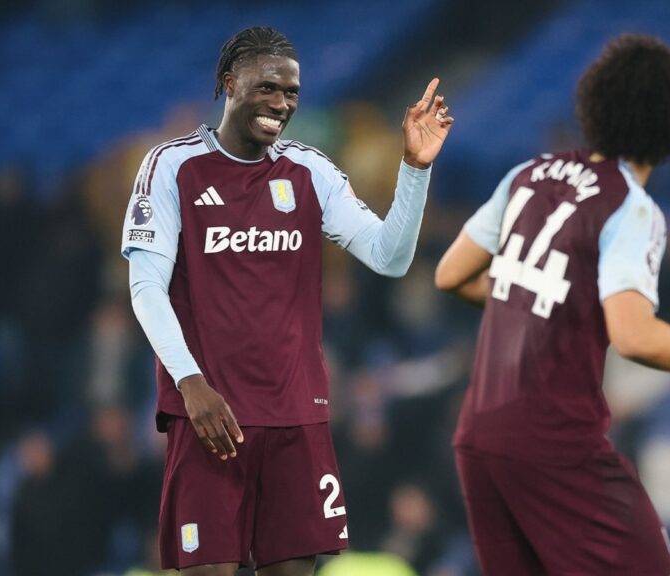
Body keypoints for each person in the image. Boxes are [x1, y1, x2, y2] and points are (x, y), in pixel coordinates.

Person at [434, 34, 670, 575]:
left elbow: (451, 274)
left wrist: (543, 304)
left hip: (479, 439)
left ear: (594, 106)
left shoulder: (529, 175)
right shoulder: (631, 208)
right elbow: (633, 335)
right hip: (554, 443)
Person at [122, 26, 453, 575]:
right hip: (211, 417)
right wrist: (189, 382)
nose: (281, 103)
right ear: (230, 83)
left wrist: (415, 169)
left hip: (297, 417)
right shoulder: (172, 166)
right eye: (267, 87)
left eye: (291, 92)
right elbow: (145, 287)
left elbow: (389, 257)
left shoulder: (308, 171)